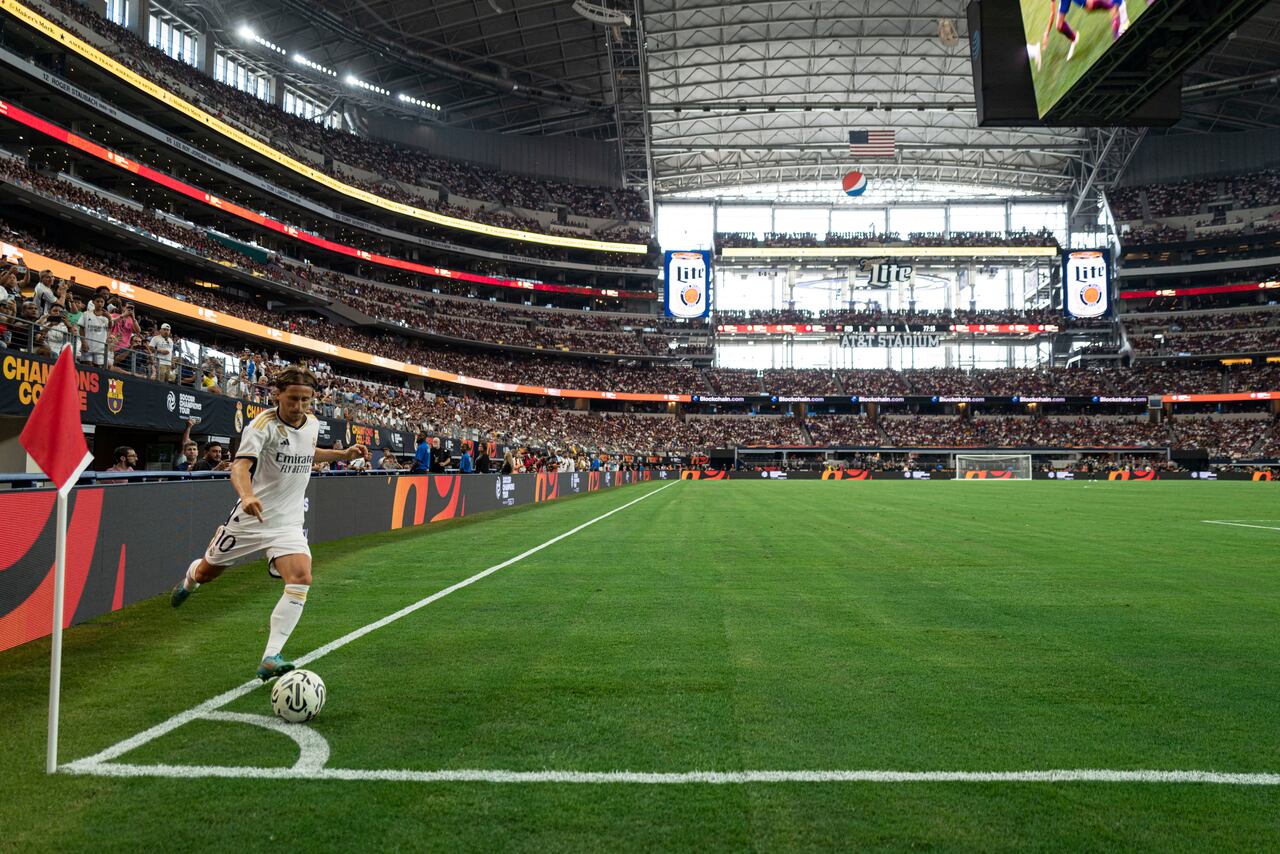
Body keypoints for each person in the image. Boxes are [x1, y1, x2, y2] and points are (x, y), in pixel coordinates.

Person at [170, 365, 369, 681]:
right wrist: (246, 496)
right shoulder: (261, 425)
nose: (299, 406)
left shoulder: (312, 423)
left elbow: (308, 452)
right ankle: (190, 579)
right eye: (293, 399)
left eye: (306, 400)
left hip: (288, 523)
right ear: (277, 394)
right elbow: (239, 467)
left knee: (301, 577)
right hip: (252, 519)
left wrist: (342, 453)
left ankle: (270, 656)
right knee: (209, 572)